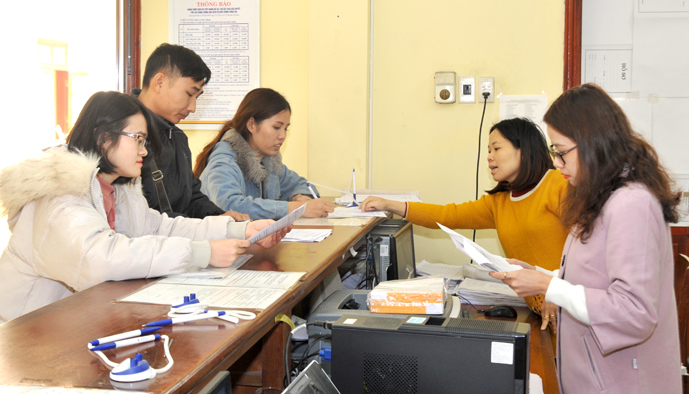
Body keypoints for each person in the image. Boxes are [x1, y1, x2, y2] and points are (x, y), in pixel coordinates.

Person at [0, 91, 288, 328]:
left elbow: (160, 226)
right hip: (21, 335)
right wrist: (201, 253)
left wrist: (238, 230)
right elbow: (100, 258)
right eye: (139, 140)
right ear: (103, 137)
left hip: (72, 322)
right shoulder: (58, 193)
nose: (144, 151)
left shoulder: (118, 186)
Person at [491, 83, 681, 394]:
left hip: (623, 381)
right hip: (594, 372)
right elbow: (595, 274)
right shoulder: (599, 194)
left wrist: (549, 287)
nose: (556, 163)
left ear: (593, 143)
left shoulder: (631, 203)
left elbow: (634, 312)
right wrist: (542, 276)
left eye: (561, 152)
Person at [361, 117, 568, 329]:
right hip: (541, 313)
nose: (489, 156)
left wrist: (556, 289)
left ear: (523, 150)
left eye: (497, 148)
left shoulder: (557, 185)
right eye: (488, 150)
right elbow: (447, 216)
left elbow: (583, 250)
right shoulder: (499, 202)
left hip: (567, 307)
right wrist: (390, 205)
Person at [132, 43, 248, 220]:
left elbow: (192, 197)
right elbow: (139, 217)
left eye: (197, 97)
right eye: (189, 94)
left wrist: (222, 217)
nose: (193, 108)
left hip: (180, 234)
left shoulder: (177, 137)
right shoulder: (124, 134)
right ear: (159, 82)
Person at [194, 88, 334, 220]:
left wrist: (300, 197)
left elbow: (301, 184)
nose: (282, 136)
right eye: (276, 127)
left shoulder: (268, 161)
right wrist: (294, 208)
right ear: (251, 125)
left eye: (286, 129)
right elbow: (231, 206)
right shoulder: (224, 161)